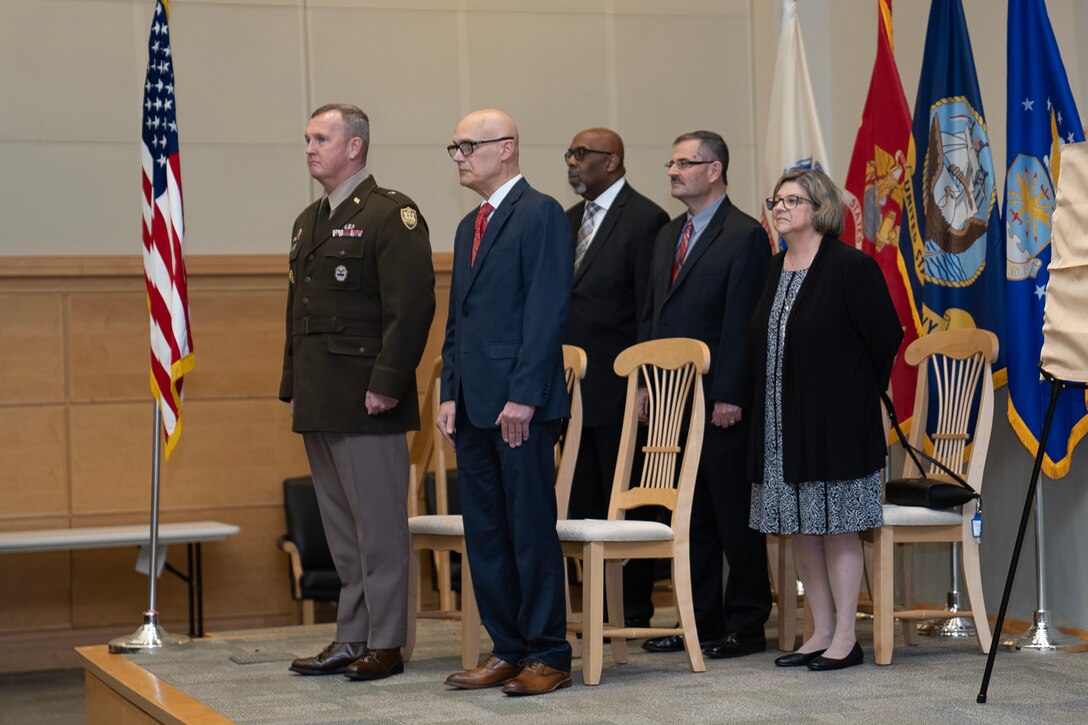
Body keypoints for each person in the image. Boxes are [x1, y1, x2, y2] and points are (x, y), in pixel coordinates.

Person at [282, 104, 435, 681]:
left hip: (369, 397)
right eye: (306, 138)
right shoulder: (307, 221)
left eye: (321, 137)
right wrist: (293, 385)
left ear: (354, 147)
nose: (309, 147)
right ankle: (351, 636)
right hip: (321, 396)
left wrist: (389, 384)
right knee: (342, 531)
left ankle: (388, 641)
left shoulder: (391, 215)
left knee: (379, 528)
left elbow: (412, 307)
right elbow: (297, 314)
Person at [436, 109, 574, 696]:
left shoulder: (540, 212)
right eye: (456, 146)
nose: (460, 155)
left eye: (469, 145)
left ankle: (548, 652)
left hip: (519, 407)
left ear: (507, 147)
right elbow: (457, 318)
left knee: (529, 528)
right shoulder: (471, 224)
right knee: (486, 532)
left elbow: (546, 312)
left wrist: (524, 396)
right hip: (471, 404)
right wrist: (448, 391)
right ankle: (507, 648)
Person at [748, 169, 901, 671]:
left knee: (839, 527)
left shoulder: (849, 266)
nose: (781, 208)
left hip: (836, 420)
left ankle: (845, 639)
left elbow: (884, 337)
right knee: (800, 527)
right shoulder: (774, 268)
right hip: (779, 424)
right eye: (777, 200)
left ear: (821, 208)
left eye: (794, 200)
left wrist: (849, 392)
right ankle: (819, 629)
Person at [639, 131, 773, 659]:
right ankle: (700, 621)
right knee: (690, 516)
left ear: (715, 170)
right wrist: (648, 386)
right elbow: (651, 315)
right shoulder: (668, 234)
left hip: (721, 401)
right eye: (671, 162)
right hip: (672, 399)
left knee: (733, 514)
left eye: (685, 163)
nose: (673, 171)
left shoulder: (744, 235)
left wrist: (730, 393)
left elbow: (744, 322)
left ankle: (747, 622)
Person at [562, 127, 669, 628]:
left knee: (623, 498)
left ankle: (631, 613)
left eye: (581, 154)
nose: (572, 162)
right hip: (574, 393)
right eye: (570, 154)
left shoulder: (646, 220)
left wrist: (646, 380)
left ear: (613, 161)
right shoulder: (566, 222)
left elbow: (651, 309)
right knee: (583, 501)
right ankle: (596, 611)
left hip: (625, 388)